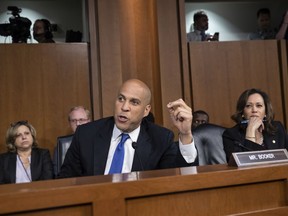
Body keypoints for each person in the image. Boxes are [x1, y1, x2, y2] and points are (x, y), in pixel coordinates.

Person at [58, 79, 198, 178]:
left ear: (146, 110)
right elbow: (66, 182)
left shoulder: (160, 139)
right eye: (121, 99)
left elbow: (180, 181)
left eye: (134, 102)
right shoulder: (86, 134)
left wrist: (185, 134)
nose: (124, 107)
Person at [222, 88, 288, 163]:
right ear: (242, 112)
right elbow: (240, 165)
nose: (254, 110)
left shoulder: (277, 128)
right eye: (248, 106)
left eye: (259, 105)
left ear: (265, 112)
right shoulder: (231, 134)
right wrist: (250, 131)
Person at [53, 106, 91, 176]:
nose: (78, 124)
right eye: (74, 121)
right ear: (69, 123)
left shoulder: (98, 142)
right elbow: (57, 173)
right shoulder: (61, 146)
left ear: (89, 121)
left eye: (81, 120)